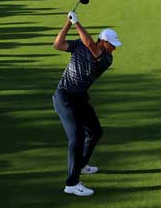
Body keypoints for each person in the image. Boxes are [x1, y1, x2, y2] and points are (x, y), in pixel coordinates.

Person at [51, 11, 121, 197]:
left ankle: (80, 165)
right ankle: (72, 184)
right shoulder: (80, 44)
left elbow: (90, 44)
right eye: (112, 45)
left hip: (79, 98)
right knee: (77, 138)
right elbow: (57, 44)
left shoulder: (106, 59)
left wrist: (77, 22)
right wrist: (68, 23)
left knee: (95, 131)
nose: (114, 49)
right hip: (64, 97)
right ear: (103, 42)